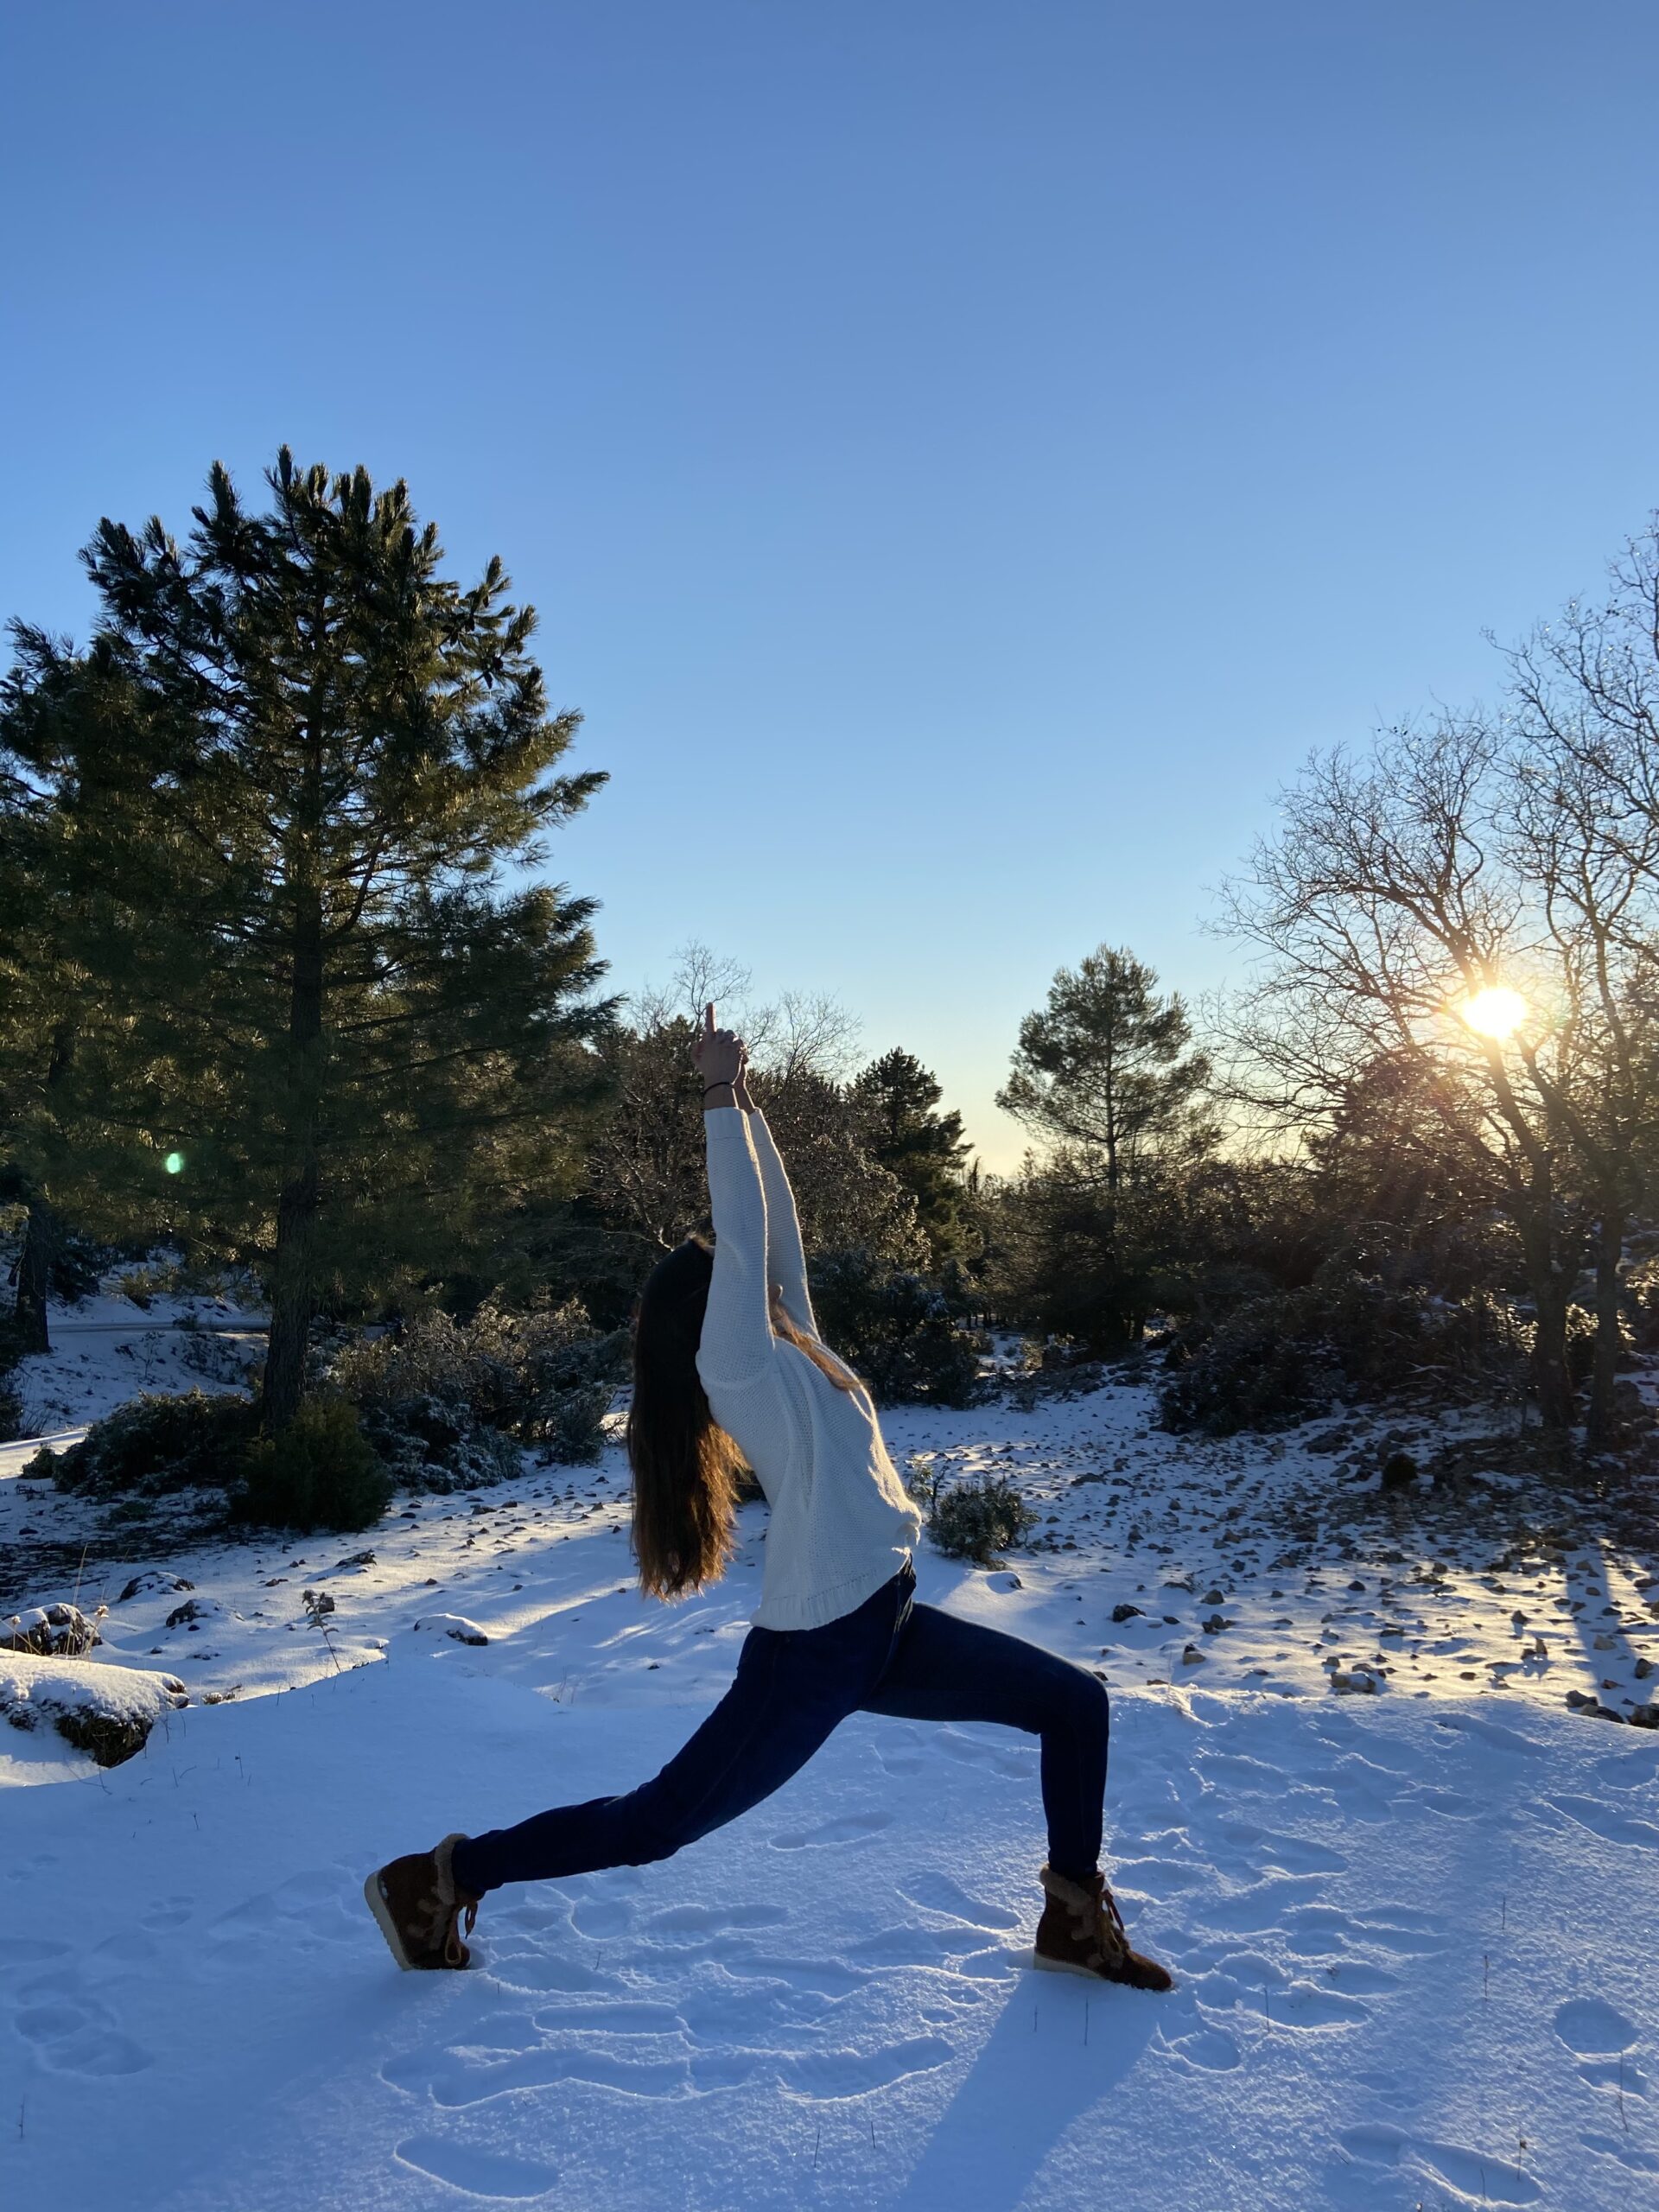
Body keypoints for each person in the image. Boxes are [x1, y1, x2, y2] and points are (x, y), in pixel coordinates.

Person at [365, 1006, 1171, 1991]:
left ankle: (1072, 1918)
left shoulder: (798, 1343)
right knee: (656, 1823)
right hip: (815, 1653)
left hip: (887, 1621)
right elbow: (745, 1235)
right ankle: (442, 1875)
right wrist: (709, 1095)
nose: (755, 1276)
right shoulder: (736, 1366)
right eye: (732, 1277)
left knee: (1074, 1705)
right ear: (716, 1311)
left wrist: (745, 1097)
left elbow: (774, 1228)